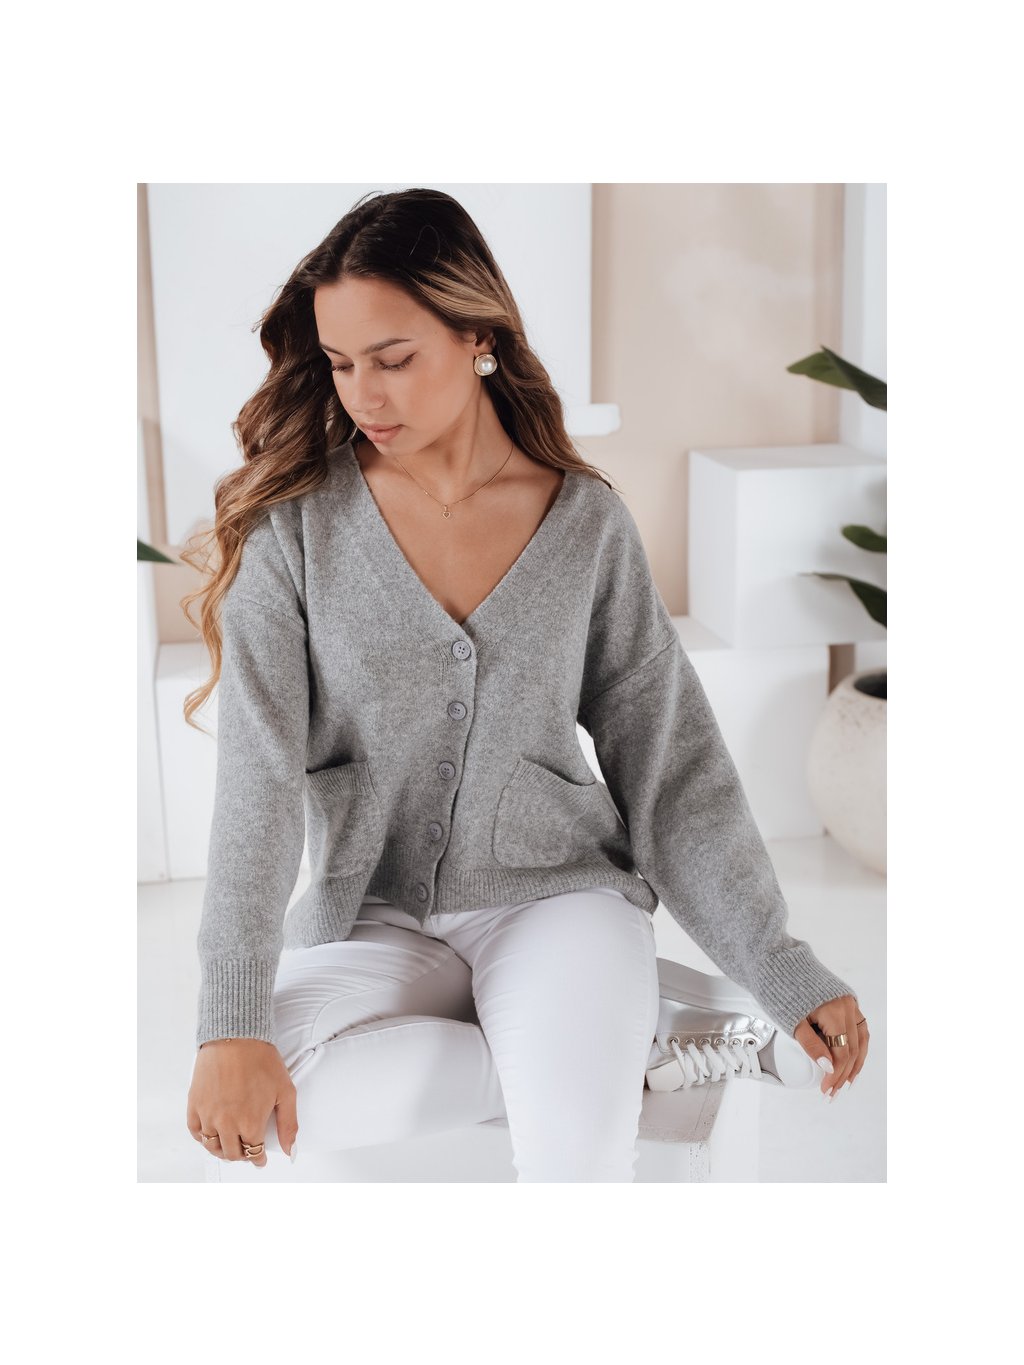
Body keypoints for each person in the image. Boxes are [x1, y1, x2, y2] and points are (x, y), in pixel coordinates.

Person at [181, 188, 869, 1182]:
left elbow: (671, 770)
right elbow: (256, 785)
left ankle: (584, 1044)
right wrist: (231, 1019)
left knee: (573, 1169)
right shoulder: (292, 529)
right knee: (258, 1093)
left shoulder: (585, 526)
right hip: (373, 913)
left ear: (479, 337)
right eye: (340, 363)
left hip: (557, 899)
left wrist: (775, 959)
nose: (364, 394)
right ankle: (620, 1049)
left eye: (393, 358)